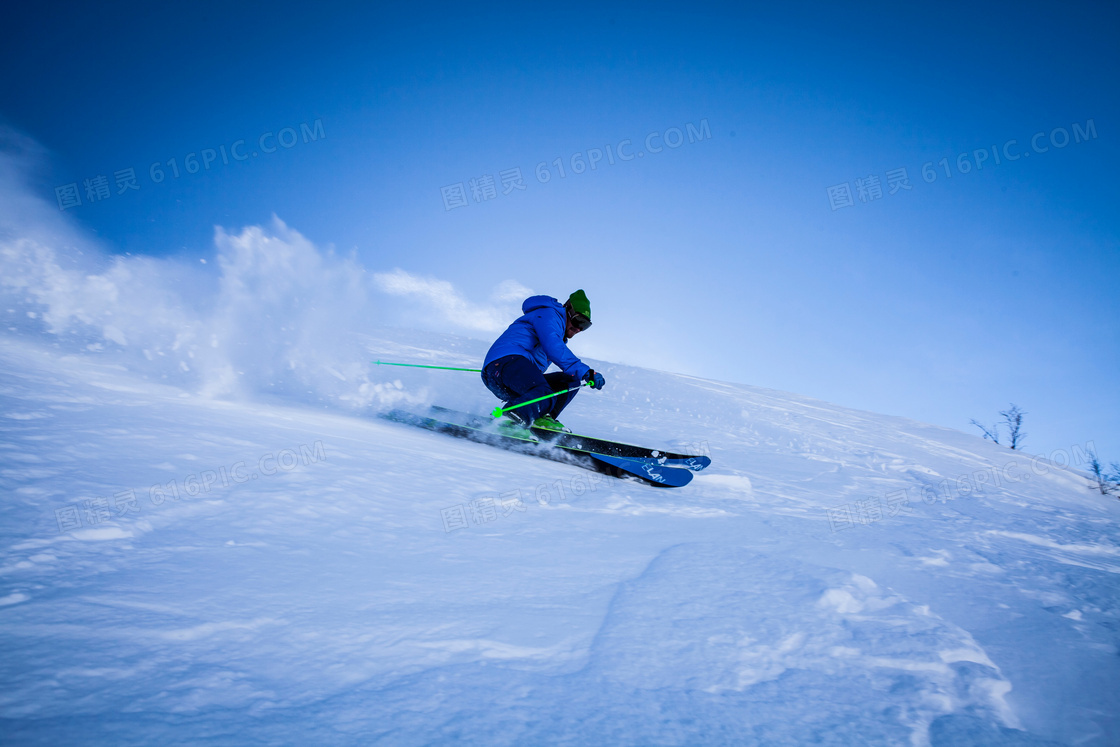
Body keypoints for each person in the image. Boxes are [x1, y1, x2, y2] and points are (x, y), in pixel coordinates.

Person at [482, 289, 605, 432]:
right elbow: (553, 347)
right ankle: (510, 419)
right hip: (504, 364)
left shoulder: (560, 332)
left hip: (513, 374)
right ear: (568, 311)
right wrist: (586, 372)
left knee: (569, 382)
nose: (579, 328)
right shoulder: (549, 315)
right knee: (544, 391)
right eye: (578, 320)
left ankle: (542, 418)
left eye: (585, 326)